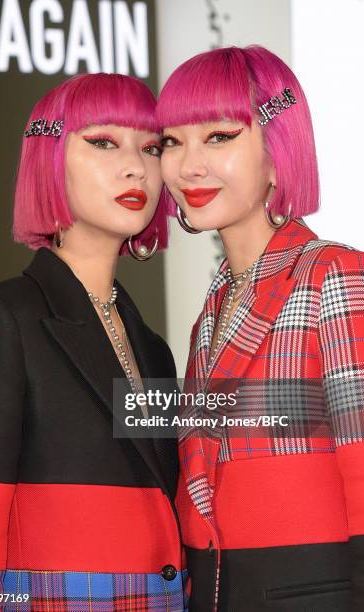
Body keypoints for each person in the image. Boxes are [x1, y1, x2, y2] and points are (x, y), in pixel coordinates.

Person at [0, 73, 187, 611]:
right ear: (50, 158)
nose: (136, 166)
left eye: (151, 148)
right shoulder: (0, 320)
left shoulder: (152, 346)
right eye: (103, 142)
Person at [156, 45, 364, 611]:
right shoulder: (217, 305)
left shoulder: (334, 277)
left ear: (278, 150)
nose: (187, 165)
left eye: (219, 136)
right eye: (173, 141)